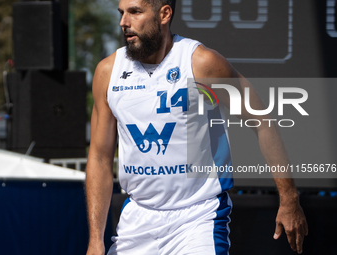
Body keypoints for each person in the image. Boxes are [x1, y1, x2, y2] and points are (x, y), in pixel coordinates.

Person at [85, 0, 308, 254]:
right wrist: (95, 240)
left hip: (197, 218)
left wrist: (289, 199)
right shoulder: (108, 72)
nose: (124, 22)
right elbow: (100, 157)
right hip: (137, 220)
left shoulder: (201, 63)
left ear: (164, 14)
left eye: (135, 12)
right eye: (121, 13)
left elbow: (263, 122)